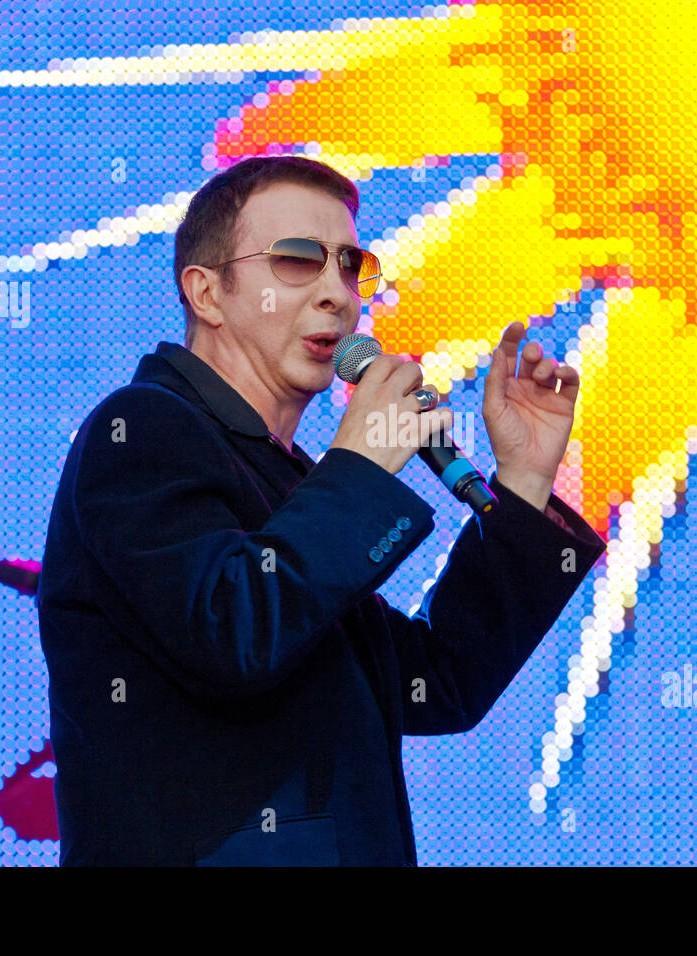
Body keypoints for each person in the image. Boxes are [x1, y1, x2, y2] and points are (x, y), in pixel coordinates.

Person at [36, 155, 606, 865]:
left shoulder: (291, 480)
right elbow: (234, 632)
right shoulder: (142, 430)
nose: (338, 293)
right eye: (298, 261)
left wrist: (521, 480)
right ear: (208, 293)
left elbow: (438, 683)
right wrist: (362, 464)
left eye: (349, 265)